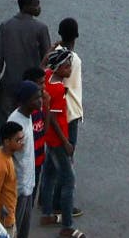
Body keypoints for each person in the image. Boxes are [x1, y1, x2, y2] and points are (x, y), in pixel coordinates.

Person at [0, 0, 50, 137]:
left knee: (5, 128)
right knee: (29, 128)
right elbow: (47, 58)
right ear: (27, 6)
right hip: (31, 88)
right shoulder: (41, 29)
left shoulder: (6, 26)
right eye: (36, 4)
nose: (39, 7)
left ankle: (5, 158)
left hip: (9, 85)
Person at [37, 49, 81, 235]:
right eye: (66, 66)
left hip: (50, 139)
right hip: (58, 140)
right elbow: (53, 119)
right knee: (68, 181)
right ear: (58, 68)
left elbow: (41, 69)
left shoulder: (47, 77)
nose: (70, 69)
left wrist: (46, 58)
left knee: (48, 174)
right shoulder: (55, 88)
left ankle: (47, 213)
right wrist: (66, 143)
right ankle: (67, 226)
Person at [6, 80, 43, 238]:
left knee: (23, 229)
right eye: (36, 98)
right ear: (26, 101)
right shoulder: (15, 124)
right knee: (13, 228)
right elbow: (7, 155)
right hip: (18, 188)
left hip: (28, 183)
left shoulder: (28, 116)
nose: (40, 100)